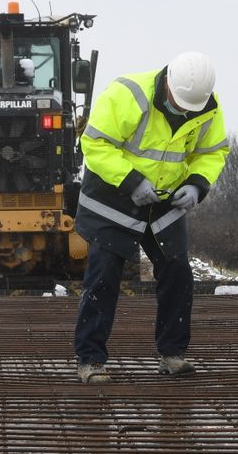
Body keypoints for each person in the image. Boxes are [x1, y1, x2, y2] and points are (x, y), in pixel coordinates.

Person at [73, 52, 228, 385]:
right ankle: (90, 360)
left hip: (165, 200)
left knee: (178, 273)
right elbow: (95, 144)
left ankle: (173, 355)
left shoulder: (208, 105)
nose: (186, 110)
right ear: (168, 82)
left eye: (192, 107)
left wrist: (197, 184)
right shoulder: (128, 94)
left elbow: (213, 152)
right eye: (181, 102)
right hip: (113, 196)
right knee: (104, 276)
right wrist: (131, 181)